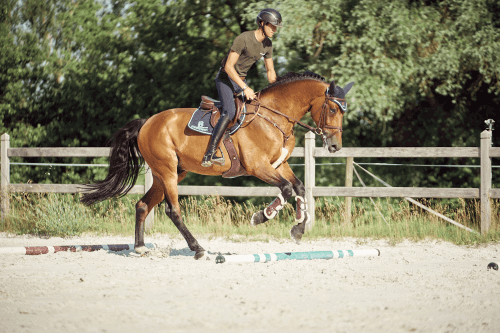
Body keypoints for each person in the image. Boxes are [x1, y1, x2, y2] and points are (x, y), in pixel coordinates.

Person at [201, 8, 283, 167]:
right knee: (230, 111)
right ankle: (209, 154)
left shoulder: (267, 44)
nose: (274, 30)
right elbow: (228, 67)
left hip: (240, 81)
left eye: (275, 27)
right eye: (272, 26)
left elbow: (271, 72)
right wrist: (245, 87)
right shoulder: (243, 39)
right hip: (226, 78)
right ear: (261, 23)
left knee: (256, 109)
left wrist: (283, 87)